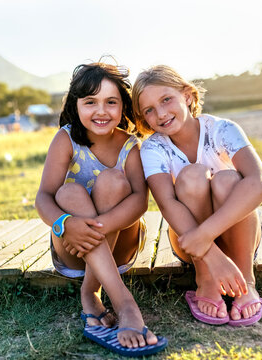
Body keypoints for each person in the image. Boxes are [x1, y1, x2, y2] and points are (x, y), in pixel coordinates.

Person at [35, 62, 167, 357]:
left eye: (111, 102)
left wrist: (101, 225)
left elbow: (139, 202)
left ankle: (98, 295)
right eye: (90, 102)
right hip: (73, 248)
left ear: (123, 106)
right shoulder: (65, 139)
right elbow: (43, 197)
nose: (101, 111)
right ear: (75, 105)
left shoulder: (130, 146)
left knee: (112, 181)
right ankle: (116, 299)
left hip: (121, 245)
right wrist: (64, 224)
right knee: (67, 191)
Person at [132, 65, 262, 326]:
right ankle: (205, 279)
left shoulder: (222, 129)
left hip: (236, 236)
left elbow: (259, 183)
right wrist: (210, 253)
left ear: (186, 95)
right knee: (192, 175)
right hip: (189, 242)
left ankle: (246, 278)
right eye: (149, 110)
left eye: (166, 100)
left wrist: (205, 235)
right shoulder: (152, 148)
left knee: (228, 179)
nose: (160, 114)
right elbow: (167, 203)